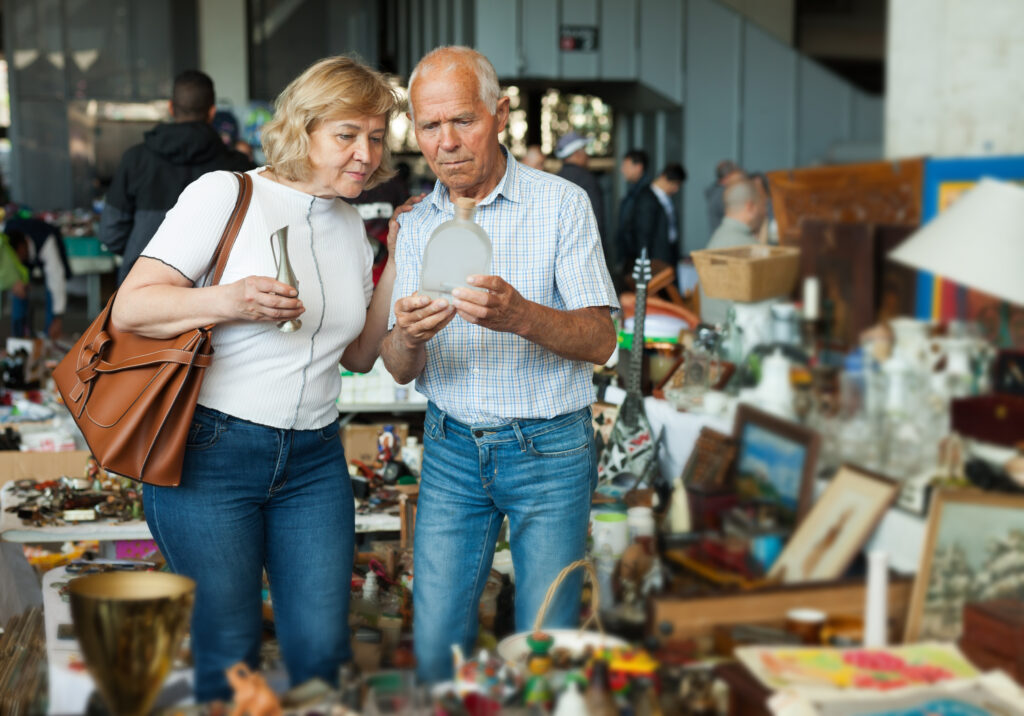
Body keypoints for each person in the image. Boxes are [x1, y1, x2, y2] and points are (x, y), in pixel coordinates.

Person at [110, 56, 402, 701]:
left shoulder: (353, 225)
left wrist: (398, 263)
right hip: (212, 452)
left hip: (315, 459)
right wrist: (230, 301)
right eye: (346, 135)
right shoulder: (224, 193)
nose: (364, 153)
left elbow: (355, 356)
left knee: (323, 650)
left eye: (377, 137)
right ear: (302, 130)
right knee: (230, 651)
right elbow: (132, 307)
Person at [380, 46, 618, 683]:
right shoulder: (416, 222)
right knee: (436, 648)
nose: (447, 142)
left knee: (544, 648)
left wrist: (522, 316)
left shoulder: (562, 204)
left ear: (501, 114)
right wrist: (406, 335)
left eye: (463, 120)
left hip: (548, 450)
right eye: (430, 126)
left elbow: (603, 339)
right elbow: (398, 367)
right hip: (452, 446)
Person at [100, 70, 254, 285]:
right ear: (212, 112)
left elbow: (110, 233)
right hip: (214, 296)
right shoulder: (238, 166)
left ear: (171, 108)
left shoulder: (135, 159)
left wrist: (145, 251)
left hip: (143, 290)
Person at [699, 178, 767, 325]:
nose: (765, 211)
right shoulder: (747, 247)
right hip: (736, 338)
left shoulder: (719, 237)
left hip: (714, 331)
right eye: (764, 205)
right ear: (750, 207)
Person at [4, 218, 71, 340]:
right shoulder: (5, 244)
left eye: (18, 256)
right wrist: (14, 282)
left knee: (52, 289)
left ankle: (49, 336)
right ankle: (18, 337)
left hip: (44, 243)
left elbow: (56, 280)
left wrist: (58, 317)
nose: (18, 261)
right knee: (19, 296)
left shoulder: (47, 242)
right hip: (20, 259)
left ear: (22, 247)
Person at [624, 162, 686, 281]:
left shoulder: (665, 197)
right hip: (656, 258)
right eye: (675, 184)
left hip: (667, 253)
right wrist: (645, 261)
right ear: (664, 178)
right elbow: (643, 233)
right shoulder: (647, 198)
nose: (676, 189)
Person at [555, 130, 606, 246]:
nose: (587, 156)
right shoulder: (588, 180)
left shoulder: (554, 179)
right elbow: (596, 221)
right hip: (584, 251)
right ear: (577, 153)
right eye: (585, 151)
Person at [614, 148, 649, 283]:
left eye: (626, 166)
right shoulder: (634, 191)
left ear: (638, 167)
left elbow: (642, 231)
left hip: (635, 258)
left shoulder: (644, 194)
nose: (622, 170)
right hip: (629, 256)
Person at [703, 159, 745, 245]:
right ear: (727, 176)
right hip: (728, 243)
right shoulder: (722, 195)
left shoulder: (715, 191)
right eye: (736, 175)